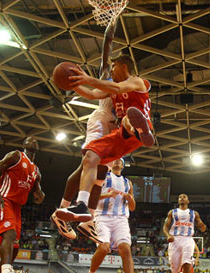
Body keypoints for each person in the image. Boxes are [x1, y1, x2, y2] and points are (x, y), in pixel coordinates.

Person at [55, 53, 154, 222]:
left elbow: (117, 89)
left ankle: (138, 128)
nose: (112, 71)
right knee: (90, 157)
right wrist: (72, 83)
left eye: (114, 66)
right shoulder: (111, 88)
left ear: (124, 66)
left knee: (127, 117)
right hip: (120, 137)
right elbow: (92, 94)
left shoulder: (137, 81)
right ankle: (82, 205)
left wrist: (86, 78)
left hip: (135, 127)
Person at [51, 23, 118, 243]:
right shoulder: (108, 77)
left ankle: (88, 221)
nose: (114, 67)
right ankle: (61, 212)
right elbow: (106, 54)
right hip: (99, 122)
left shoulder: (129, 88)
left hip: (114, 131)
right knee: (87, 165)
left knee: (99, 177)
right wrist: (111, 27)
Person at [0, 137, 45, 273]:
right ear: (23, 144)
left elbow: (38, 192)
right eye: (30, 140)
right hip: (4, 200)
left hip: (17, 207)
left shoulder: (36, 170)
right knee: (10, 234)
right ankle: (7, 269)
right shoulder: (16, 156)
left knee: (16, 246)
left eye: (36, 140)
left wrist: (40, 195)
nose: (34, 141)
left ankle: (6, 268)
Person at [89, 158, 135, 273]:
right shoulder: (103, 176)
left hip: (121, 218)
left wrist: (130, 199)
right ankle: (91, 271)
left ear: (123, 166)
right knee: (104, 247)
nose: (118, 161)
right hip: (102, 216)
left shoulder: (127, 182)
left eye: (121, 160)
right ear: (111, 163)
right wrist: (108, 195)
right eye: (116, 159)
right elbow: (91, 197)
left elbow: (132, 207)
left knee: (125, 249)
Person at [163, 194, 206, 273]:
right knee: (175, 270)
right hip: (175, 240)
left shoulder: (194, 213)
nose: (182, 198)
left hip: (187, 239)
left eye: (184, 197)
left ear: (188, 201)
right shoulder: (172, 212)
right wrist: (168, 235)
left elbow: (203, 228)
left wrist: (202, 226)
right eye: (180, 197)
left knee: (187, 264)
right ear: (178, 201)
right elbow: (165, 227)